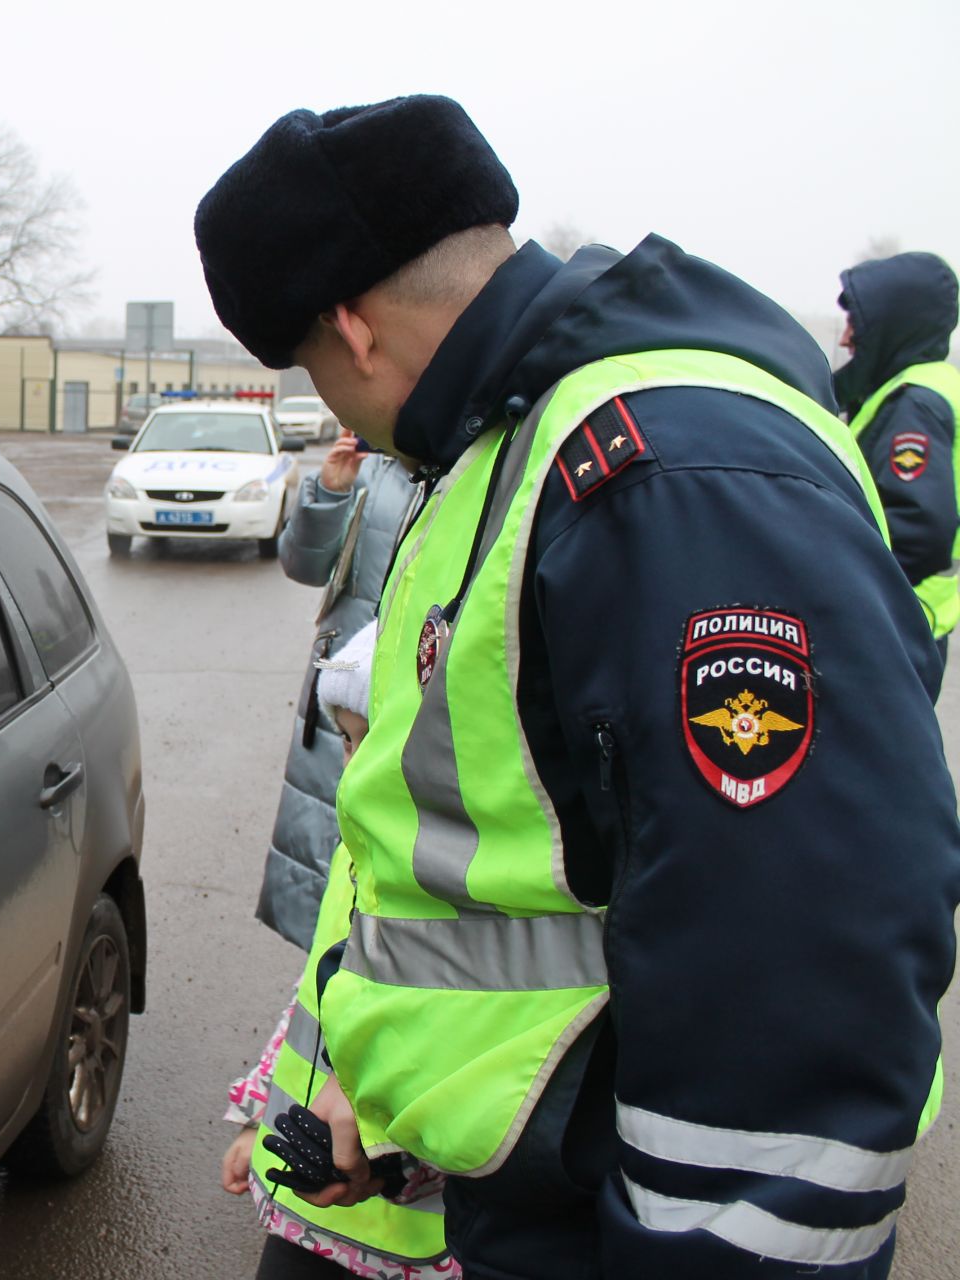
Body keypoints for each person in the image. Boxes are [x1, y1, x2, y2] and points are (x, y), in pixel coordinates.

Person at [195, 95, 960, 1278]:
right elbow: (531, 879)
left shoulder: (662, 465)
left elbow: (798, 957)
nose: (331, 408)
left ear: (350, 327)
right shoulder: (515, 438)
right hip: (533, 1192)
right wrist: (398, 1095)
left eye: (306, 367)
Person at [223, 623, 459, 1279]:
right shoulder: (353, 853)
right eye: (348, 741)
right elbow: (310, 1002)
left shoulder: (459, 885)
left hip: (413, 1235)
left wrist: (391, 1156)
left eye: (372, 739)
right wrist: (257, 1116)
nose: (354, 764)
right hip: (312, 1211)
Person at [257, 427, 413, 948]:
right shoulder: (371, 470)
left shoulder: (472, 469)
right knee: (327, 854)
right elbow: (302, 564)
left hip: (417, 700)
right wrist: (331, 493)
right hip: (343, 706)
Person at [835, 252, 960, 671]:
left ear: (891, 326)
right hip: (908, 619)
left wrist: (833, 587)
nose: (845, 338)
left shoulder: (914, 404)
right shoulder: (931, 386)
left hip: (897, 624)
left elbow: (917, 529)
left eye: (856, 323)